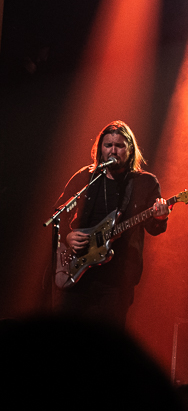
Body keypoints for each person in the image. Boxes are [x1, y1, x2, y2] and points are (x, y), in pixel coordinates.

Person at [53, 120, 169, 326]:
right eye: (108, 145)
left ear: (130, 149)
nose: (113, 151)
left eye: (119, 146)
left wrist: (160, 217)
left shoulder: (145, 183)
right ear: (100, 149)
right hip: (78, 272)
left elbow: (154, 228)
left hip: (117, 278)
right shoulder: (86, 177)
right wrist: (68, 236)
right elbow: (58, 214)